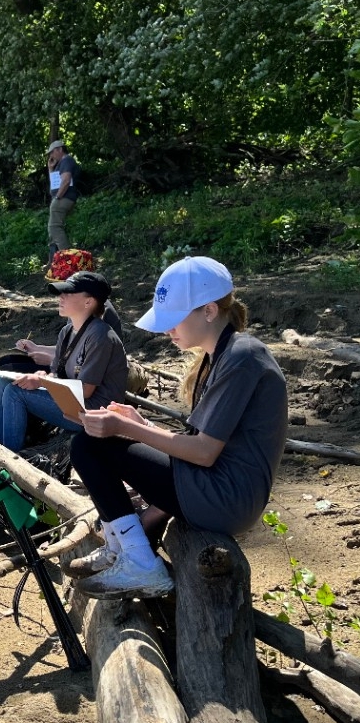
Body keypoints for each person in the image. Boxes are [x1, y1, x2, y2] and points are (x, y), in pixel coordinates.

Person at [68, 256, 288, 600]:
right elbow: (204, 442)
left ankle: (138, 560)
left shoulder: (242, 357)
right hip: (216, 486)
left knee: (89, 445)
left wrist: (128, 430)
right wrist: (140, 423)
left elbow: (203, 451)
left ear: (209, 311)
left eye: (173, 319)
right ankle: (127, 546)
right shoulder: (225, 353)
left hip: (225, 498)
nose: (167, 329)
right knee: (94, 442)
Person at [0, 271, 127, 451]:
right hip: (71, 400)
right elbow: (58, 373)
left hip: (93, 412)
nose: (61, 297)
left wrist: (41, 381)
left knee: (15, 392)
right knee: (3, 382)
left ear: (89, 302)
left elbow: (85, 390)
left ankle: (9, 458)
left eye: (68, 293)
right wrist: (44, 375)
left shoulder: (101, 335)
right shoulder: (67, 332)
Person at [47, 140, 80, 268]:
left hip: (62, 199)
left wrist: (58, 197)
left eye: (52, 152)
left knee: (54, 228)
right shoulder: (61, 163)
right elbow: (55, 182)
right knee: (52, 230)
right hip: (60, 198)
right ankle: (53, 261)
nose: (51, 156)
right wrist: (50, 168)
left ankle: (68, 262)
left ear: (60, 149)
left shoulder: (67, 161)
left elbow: (66, 181)